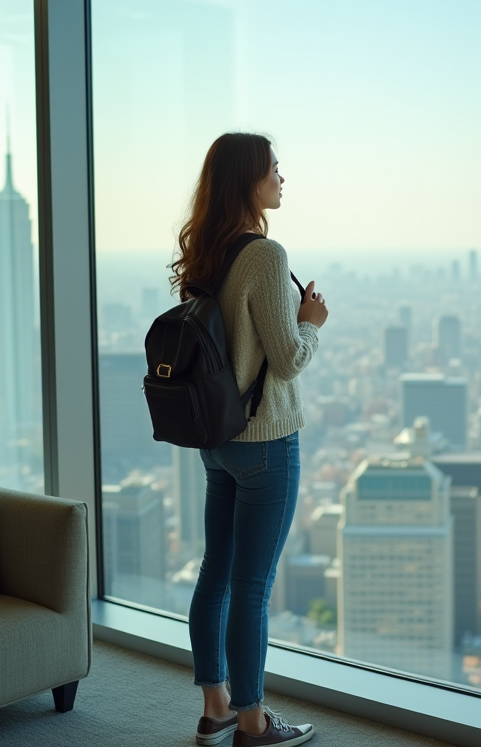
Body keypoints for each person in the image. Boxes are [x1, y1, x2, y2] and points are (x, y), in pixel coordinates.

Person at [170, 133, 327, 747]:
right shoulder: (265, 255)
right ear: (250, 181)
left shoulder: (208, 251)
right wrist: (310, 324)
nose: (282, 179)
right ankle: (255, 722)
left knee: (217, 574)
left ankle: (217, 709)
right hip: (265, 441)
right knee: (253, 587)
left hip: (217, 439)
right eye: (274, 170)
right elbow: (286, 359)